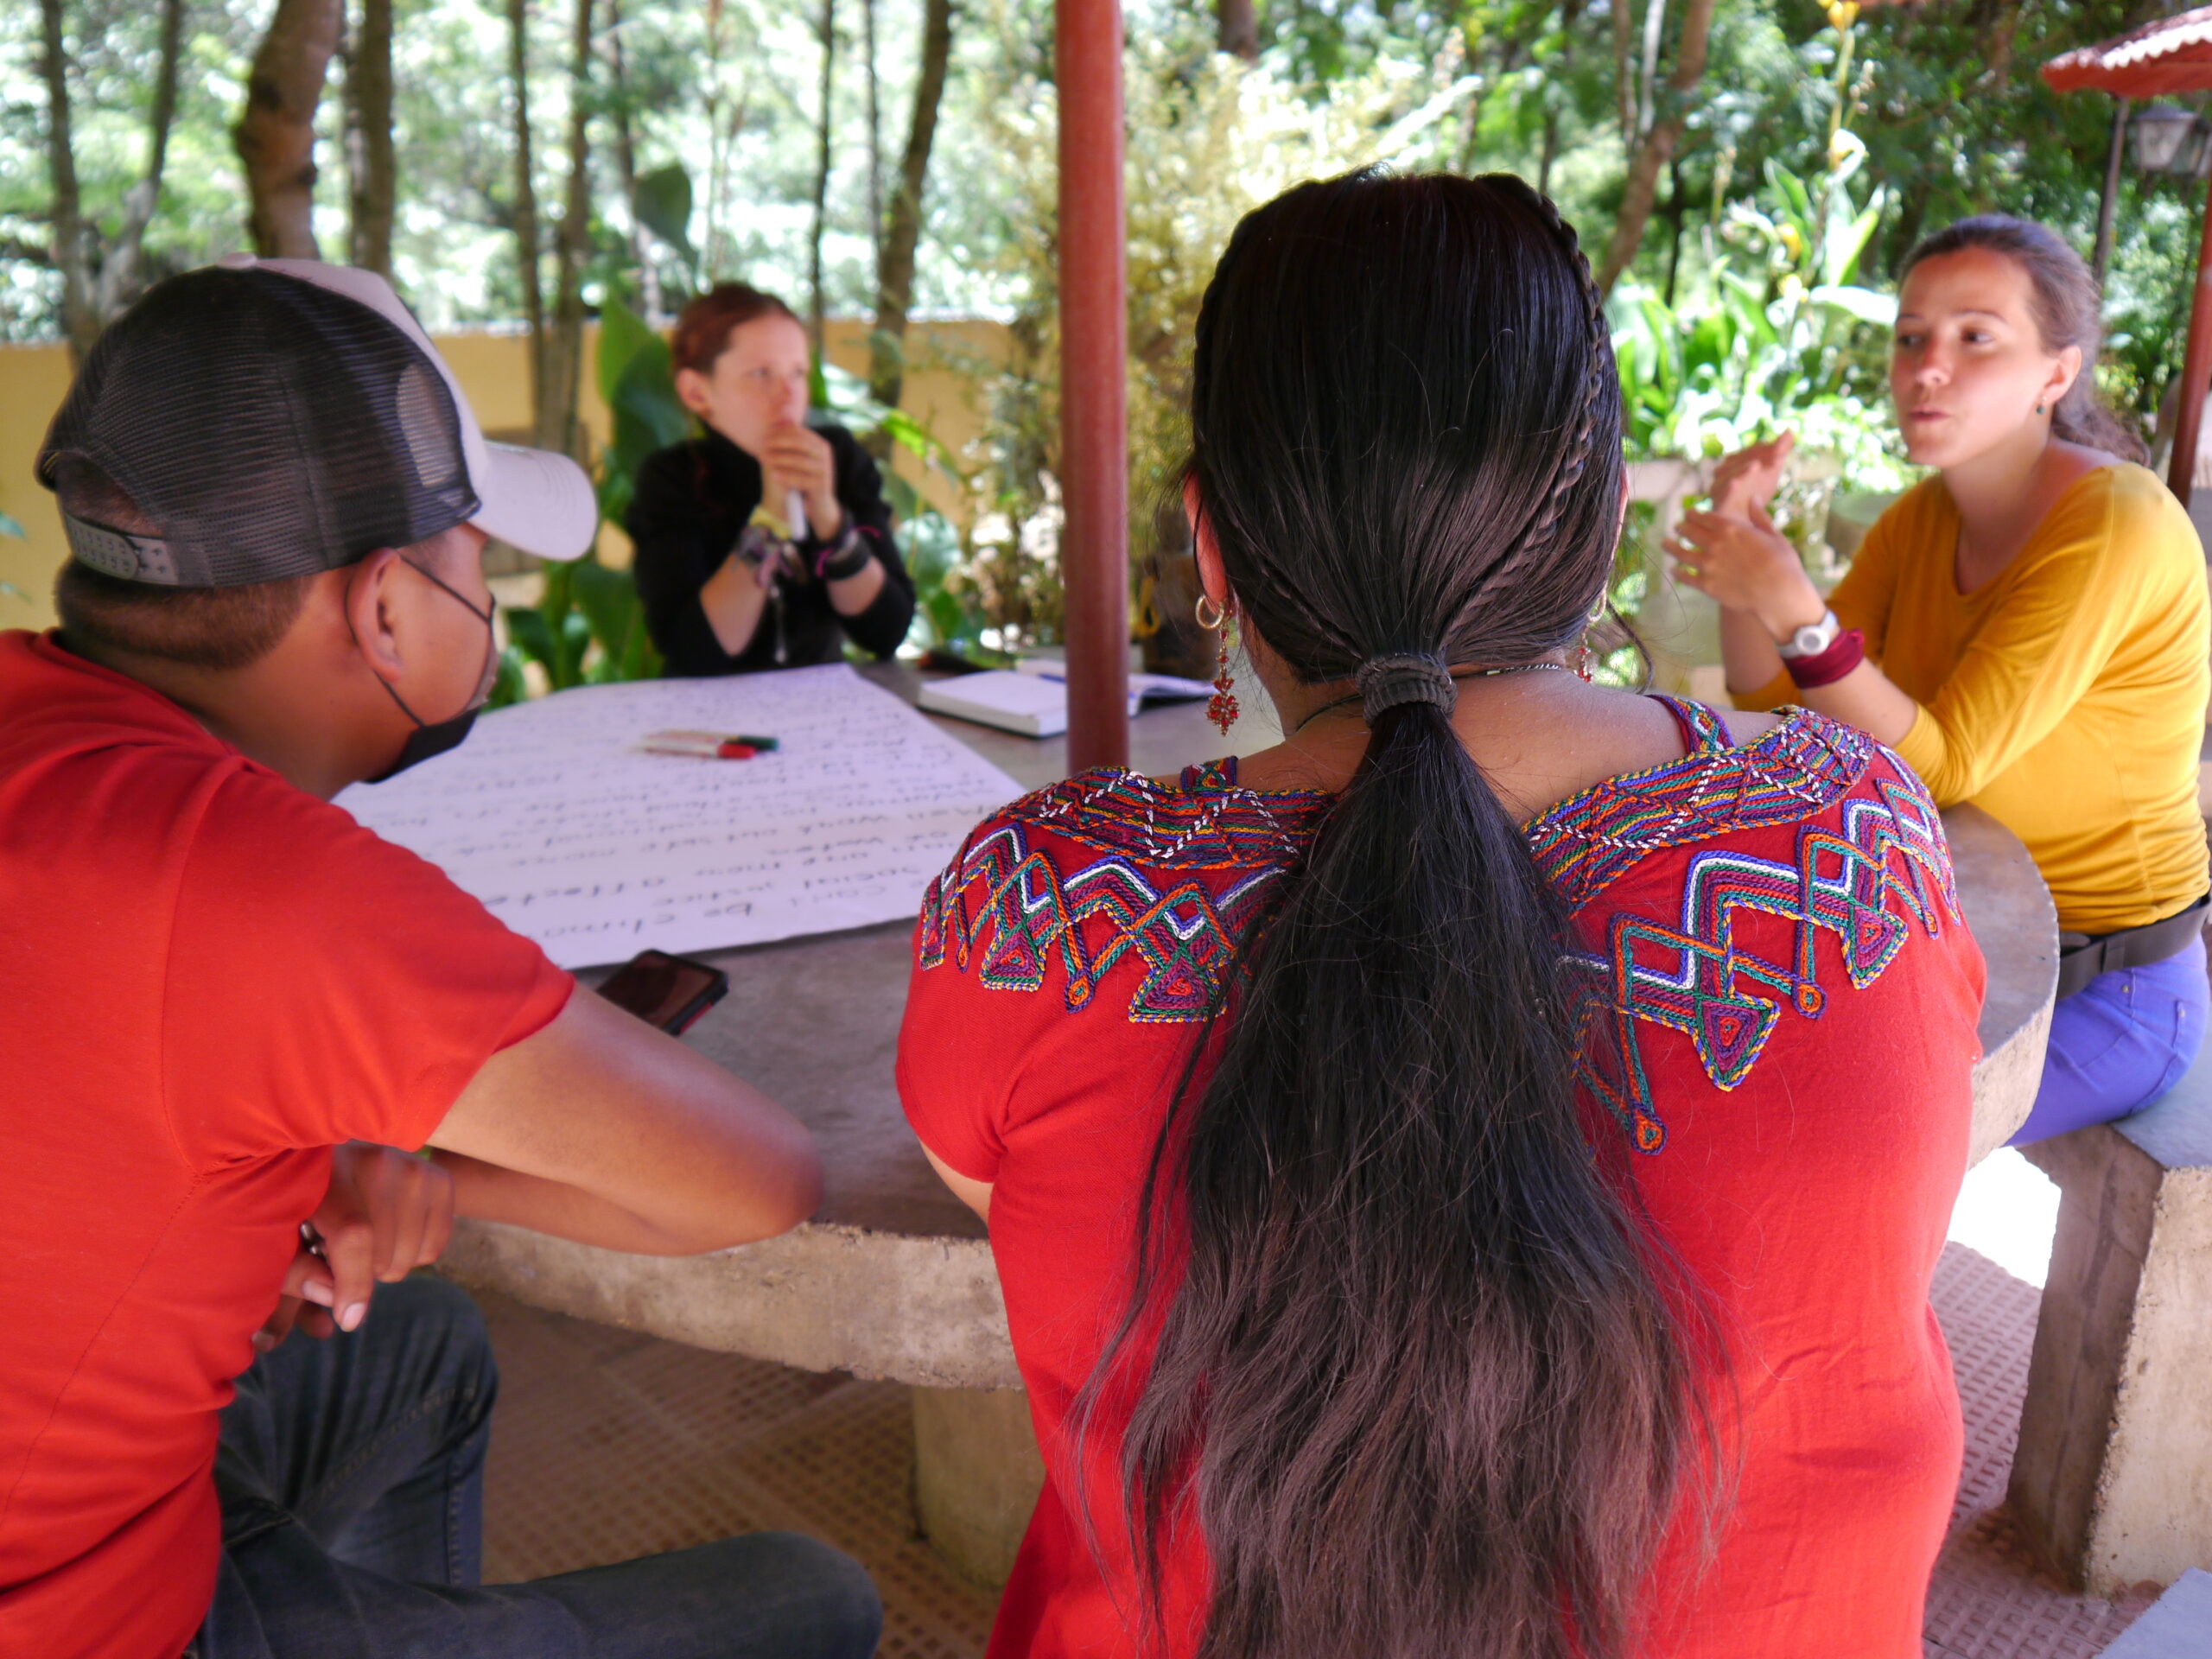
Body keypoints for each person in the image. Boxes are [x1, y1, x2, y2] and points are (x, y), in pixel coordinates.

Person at [898, 172, 1986, 1659]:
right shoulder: (1853, 845)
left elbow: (988, 1189)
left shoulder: (1043, 910)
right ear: (1604, 520)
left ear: (1212, 548)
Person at [0, 256, 881, 1659]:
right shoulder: (263, 890)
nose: (491, 586)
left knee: (413, 1351)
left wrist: (324, 1167)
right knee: (810, 1599)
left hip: (65, 1513)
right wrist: (416, 1174)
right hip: (85, 1625)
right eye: (477, 552)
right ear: (386, 608)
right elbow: (756, 1181)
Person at [1669, 215, 2211, 1146]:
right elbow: (1781, 705)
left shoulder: (2116, 524)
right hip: (1946, 941)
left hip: (2110, 988)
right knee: (1697, 1072)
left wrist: (1796, 606)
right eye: (1911, 337)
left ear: (2055, 373)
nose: (1928, 366)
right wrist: (1742, 549)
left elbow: (1945, 762)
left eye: (1976, 338)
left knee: (1833, 1155)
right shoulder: (1921, 517)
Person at [626, 283, 915, 675]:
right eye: (761, 374)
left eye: (797, 373)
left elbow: (885, 631)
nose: (787, 396)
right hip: (714, 722)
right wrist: (770, 522)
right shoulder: (674, 478)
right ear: (697, 392)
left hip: (826, 711)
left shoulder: (837, 458)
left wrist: (830, 520)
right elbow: (696, 650)